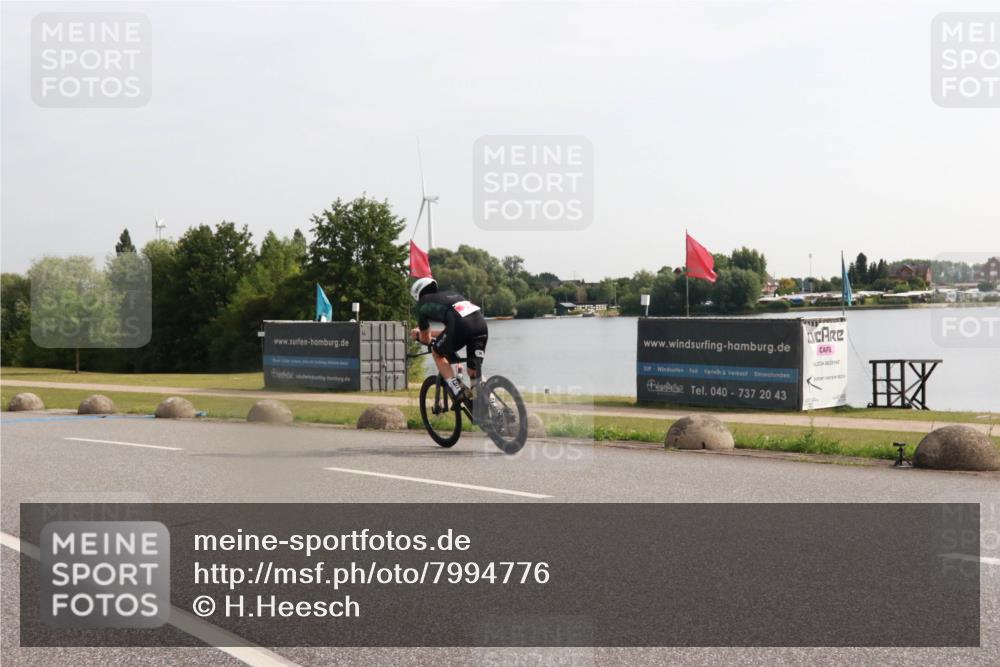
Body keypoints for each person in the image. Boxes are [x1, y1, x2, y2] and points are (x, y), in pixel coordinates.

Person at [410, 277, 488, 400]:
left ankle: (458, 390)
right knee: (474, 373)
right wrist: (433, 335)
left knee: (437, 352)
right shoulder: (451, 295)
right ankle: (495, 409)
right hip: (481, 325)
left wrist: (417, 335)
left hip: (460, 327)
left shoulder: (422, 304)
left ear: (417, 295)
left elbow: (426, 340)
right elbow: (452, 330)